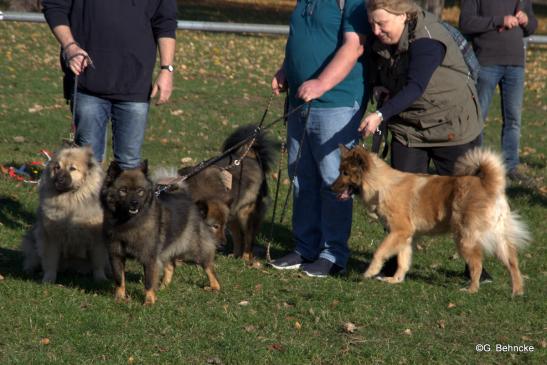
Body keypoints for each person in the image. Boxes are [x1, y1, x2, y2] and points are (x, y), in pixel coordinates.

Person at [360, 0, 492, 281]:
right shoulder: (379, 40)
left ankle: (476, 268)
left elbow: (416, 86)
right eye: (372, 23)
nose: (376, 29)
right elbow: (374, 71)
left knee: (464, 198)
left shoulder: (427, 39)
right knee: (396, 196)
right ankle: (395, 264)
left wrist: (381, 114)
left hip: (451, 125)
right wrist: (378, 86)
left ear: (403, 15)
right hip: (410, 127)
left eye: (381, 23)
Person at [270, 0, 371, 277]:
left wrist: (321, 83)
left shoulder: (352, 3)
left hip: (335, 102)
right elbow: (300, 38)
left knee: (333, 179)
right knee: (301, 176)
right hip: (300, 101)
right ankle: (305, 247)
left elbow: (354, 46)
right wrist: (285, 70)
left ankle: (333, 254)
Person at [42, 0, 177, 169]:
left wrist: (167, 69)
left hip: (135, 84)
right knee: (87, 165)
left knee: (129, 164)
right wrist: (70, 46)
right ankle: (87, 196)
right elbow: (55, 7)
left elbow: (165, 22)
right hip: (87, 81)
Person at [459, 0, 537, 184]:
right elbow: (466, 23)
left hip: (515, 64)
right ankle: (475, 166)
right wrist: (499, 20)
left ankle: (510, 167)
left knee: (513, 120)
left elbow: (532, 26)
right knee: (478, 118)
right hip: (486, 62)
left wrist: (526, 20)